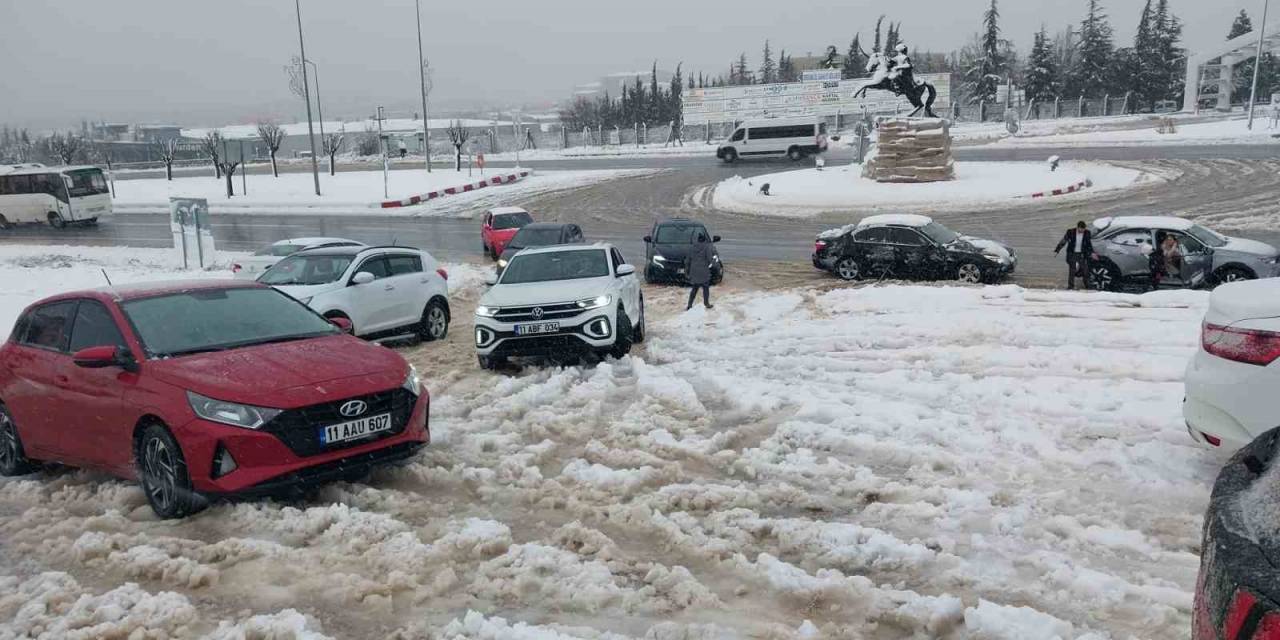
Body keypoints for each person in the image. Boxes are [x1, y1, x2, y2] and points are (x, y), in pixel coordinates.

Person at [1053, 221, 1095, 290]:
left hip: (1081, 254)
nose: (1082, 231)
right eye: (1081, 229)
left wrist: (1092, 252)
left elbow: (1089, 244)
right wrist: (1057, 250)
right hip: (1072, 253)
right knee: (1072, 270)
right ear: (1078, 227)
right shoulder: (1070, 232)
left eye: (1084, 229)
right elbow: (1063, 241)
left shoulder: (1087, 233)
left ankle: (1088, 286)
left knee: (1085, 270)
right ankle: (1070, 286)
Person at [685, 233, 716, 311]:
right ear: (704, 240)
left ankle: (689, 305)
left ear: (698, 239)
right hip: (704, 271)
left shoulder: (692, 248)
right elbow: (709, 259)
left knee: (694, 289)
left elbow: (688, 260)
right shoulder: (706, 247)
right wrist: (712, 262)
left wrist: (687, 271)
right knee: (705, 288)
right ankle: (706, 303)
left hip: (694, 271)